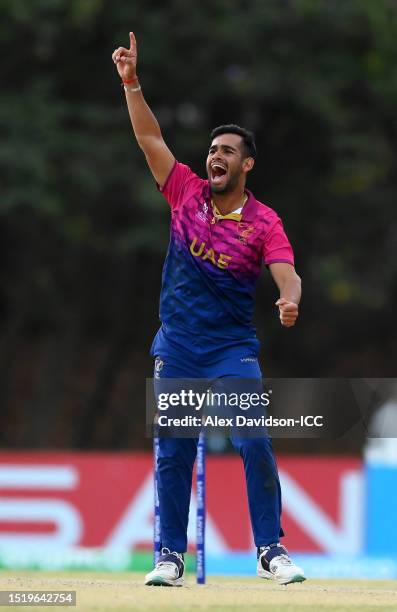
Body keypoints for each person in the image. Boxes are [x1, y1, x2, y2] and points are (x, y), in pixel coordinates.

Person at [112, 32, 305, 587]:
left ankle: (270, 551)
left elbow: (286, 271)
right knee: (174, 449)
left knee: (253, 440)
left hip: (230, 349)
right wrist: (131, 82)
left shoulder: (264, 221)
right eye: (212, 150)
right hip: (176, 344)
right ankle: (170, 557)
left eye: (226, 152)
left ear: (246, 164)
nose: (213, 157)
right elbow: (148, 135)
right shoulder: (184, 194)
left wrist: (289, 299)